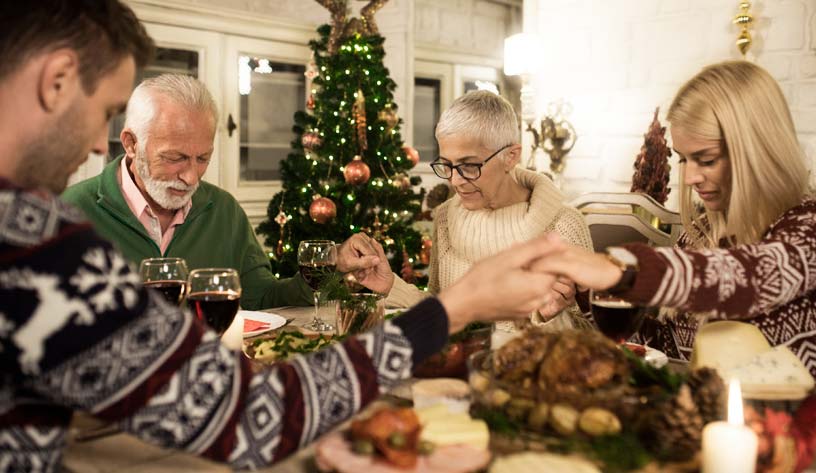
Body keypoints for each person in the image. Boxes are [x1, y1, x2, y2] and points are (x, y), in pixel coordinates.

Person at [0, 2, 565, 470]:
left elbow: (257, 305)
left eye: (202, 157)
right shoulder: (35, 240)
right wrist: (454, 307)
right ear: (56, 81)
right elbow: (246, 412)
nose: (99, 146)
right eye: (102, 112)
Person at [531, 61, 816, 384]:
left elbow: (753, 276)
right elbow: (665, 350)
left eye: (706, 159)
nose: (690, 177)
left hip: (807, 431)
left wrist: (621, 270)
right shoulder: (699, 237)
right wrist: (588, 295)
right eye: (683, 159)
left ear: (756, 150)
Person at [340, 91, 593, 330]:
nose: (455, 180)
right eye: (447, 165)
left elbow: (596, 340)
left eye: (469, 165)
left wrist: (549, 317)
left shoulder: (564, 225)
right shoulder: (445, 218)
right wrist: (391, 286)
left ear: (511, 156)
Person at [62, 74, 315, 310]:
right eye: (175, 157)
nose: (191, 177)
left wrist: (325, 274)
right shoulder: (70, 212)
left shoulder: (224, 210)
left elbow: (262, 299)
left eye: (203, 158)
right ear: (131, 144)